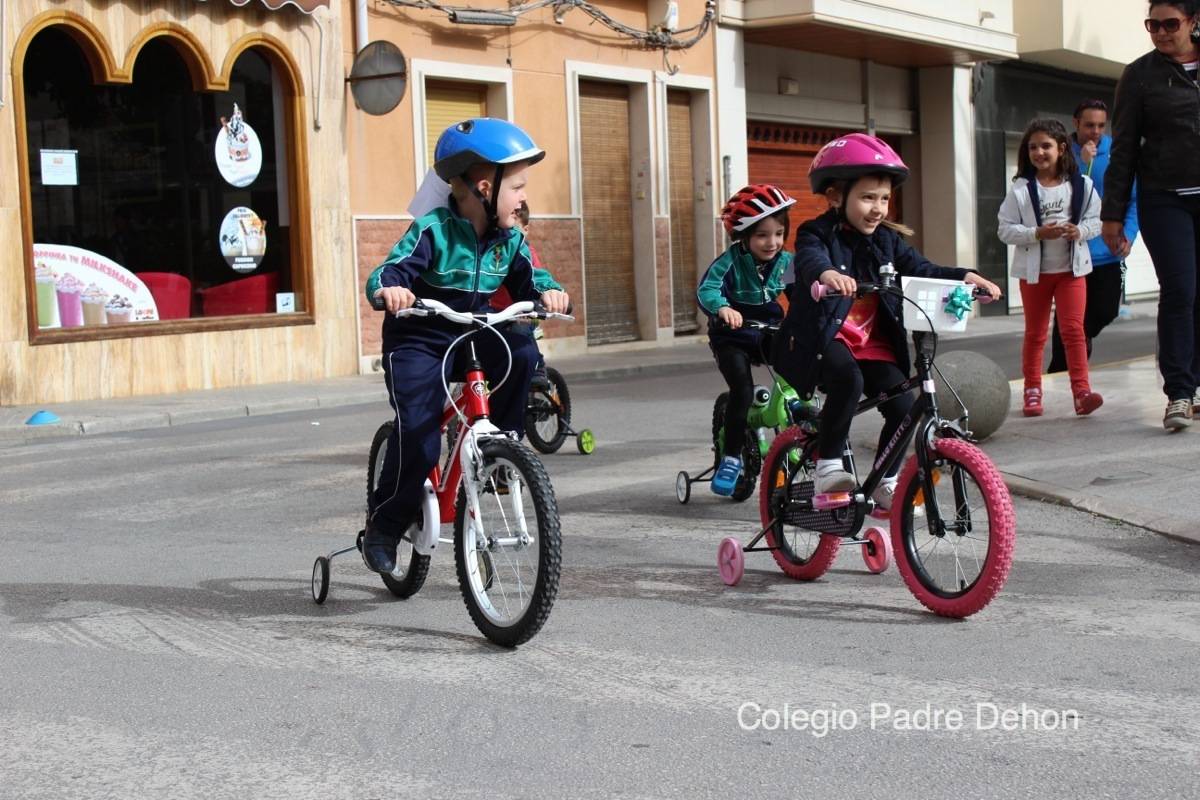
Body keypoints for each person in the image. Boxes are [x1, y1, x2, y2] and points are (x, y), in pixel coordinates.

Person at [362, 118, 569, 574]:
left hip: (471, 333)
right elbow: (387, 272)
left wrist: (549, 292)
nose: (523, 198)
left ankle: (502, 446)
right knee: (419, 436)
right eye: (517, 187)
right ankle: (385, 524)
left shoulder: (509, 240)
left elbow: (532, 279)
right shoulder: (433, 231)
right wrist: (390, 292)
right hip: (419, 339)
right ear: (483, 187)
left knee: (522, 352)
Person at [773, 133, 1001, 508]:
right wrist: (827, 273)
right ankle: (829, 464)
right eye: (867, 198)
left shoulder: (888, 242)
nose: (878, 208)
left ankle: (886, 479)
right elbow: (809, 258)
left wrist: (964, 277)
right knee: (848, 379)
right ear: (835, 197)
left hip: (873, 344)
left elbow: (922, 269)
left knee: (903, 403)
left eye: (884, 198)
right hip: (826, 339)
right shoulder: (817, 232)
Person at [1102, 0, 1200, 431]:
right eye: (1152, 24)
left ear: (1194, 22)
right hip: (1165, 198)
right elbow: (1123, 148)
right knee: (1180, 290)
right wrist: (1113, 216)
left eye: (1170, 23)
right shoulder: (1140, 76)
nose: (1160, 32)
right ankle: (1179, 392)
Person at [998, 118, 1104, 418]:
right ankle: (1032, 390)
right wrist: (1036, 233)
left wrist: (1079, 231)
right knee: (1035, 334)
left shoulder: (1082, 185)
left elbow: (1095, 221)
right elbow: (1004, 230)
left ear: (1061, 148)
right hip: (1035, 275)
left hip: (1071, 272)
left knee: (1073, 331)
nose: (1039, 152)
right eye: (1033, 147)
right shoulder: (1020, 190)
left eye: (1046, 146)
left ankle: (1082, 393)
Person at [696, 184, 796, 496]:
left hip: (769, 332)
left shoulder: (786, 262)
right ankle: (731, 457)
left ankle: (801, 439)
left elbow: (801, 294)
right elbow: (707, 290)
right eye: (763, 235)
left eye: (779, 233)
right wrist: (723, 307)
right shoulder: (730, 261)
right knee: (742, 389)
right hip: (733, 336)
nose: (773, 242)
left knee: (796, 380)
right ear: (745, 236)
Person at [1047, 100, 1140, 374]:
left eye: (1101, 125)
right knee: (1069, 319)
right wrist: (1082, 164)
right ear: (1076, 124)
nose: (1096, 131)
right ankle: (1062, 371)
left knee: (1105, 310)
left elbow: (1134, 198)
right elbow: (1056, 192)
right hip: (1072, 252)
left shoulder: (1118, 152)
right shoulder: (1061, 152)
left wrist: (1130, 234)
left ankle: (1078, 344)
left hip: (1108, 251)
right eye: (1089, 125)